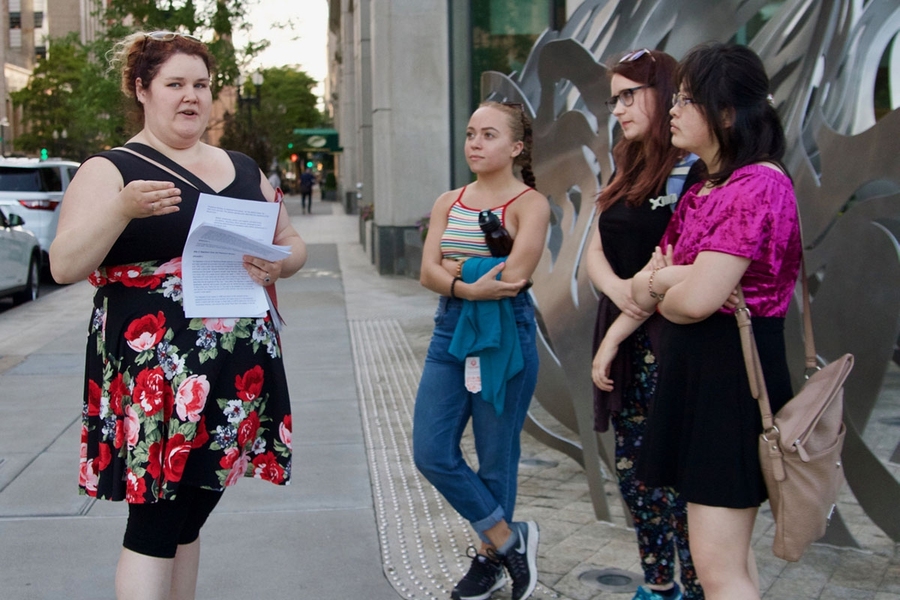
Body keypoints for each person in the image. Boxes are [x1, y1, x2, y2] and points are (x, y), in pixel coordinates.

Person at [49, 31, 307, 600]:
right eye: (175, 84)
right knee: (157, 521)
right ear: (142, 90)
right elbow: (64, 264)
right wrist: (121, 209)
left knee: (188, 516)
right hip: (157, 378)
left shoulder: (239, 166)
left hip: (237, 372)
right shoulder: (113, 168)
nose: (191, 96)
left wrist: (275, 265)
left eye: (201, 85)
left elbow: (291, 243)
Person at [596, 43, 801, 600]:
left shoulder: (756, 184)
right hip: (698, 380)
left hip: (730, 385)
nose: (674, 111)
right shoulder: (708, 187)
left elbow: (693, 301)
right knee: (727, 563)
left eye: (688, 100)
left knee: (717, 570)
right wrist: (669, 282)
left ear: (728, 112)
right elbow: (645, 283)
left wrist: (668, 282)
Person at [413, 101, 550, 600]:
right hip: (451, 330)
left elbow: (512, 280)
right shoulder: (449, 200)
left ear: (515, 147)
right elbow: (426, 272)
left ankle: (490, 563)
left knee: (496, 457)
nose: (474, 143)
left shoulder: (531, 204)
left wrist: (453, 266)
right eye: (471, 133)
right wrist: (468, 283)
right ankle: (510, 541)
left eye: (488, 135)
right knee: (431, 451)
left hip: (505, 333)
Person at [586, 48, 702, 600]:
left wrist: (620, 326)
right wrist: (620, 297)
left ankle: (702, 584)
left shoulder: (695, 168)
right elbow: (593, 251)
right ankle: (658, 585)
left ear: (666, 91)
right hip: (628, 329)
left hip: (671, 340)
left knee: (682, 479)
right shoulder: (626, 160)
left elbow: (677, 271)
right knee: (636, 474)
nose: (620, 108)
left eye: (630, 94)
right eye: (614, 99)